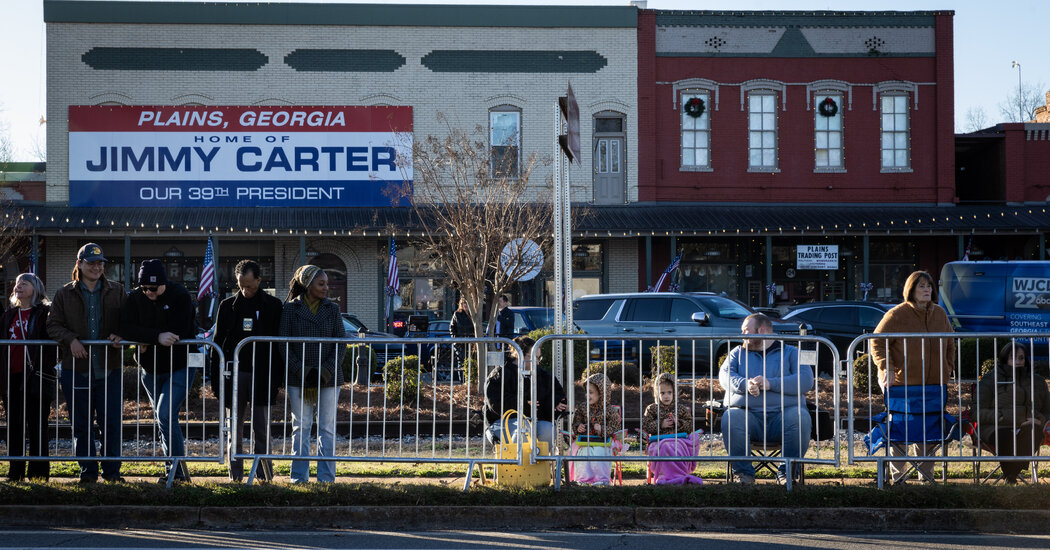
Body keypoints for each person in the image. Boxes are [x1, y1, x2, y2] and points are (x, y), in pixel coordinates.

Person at [47, 243, 126, 484]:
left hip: (109, 368)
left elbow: (129, 320)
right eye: (91, 262)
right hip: (76, 369)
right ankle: (88, 473)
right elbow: (53, 325)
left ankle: (112, 472)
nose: (97, 266)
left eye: (100, 262)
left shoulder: (117, 291)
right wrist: (70, 340)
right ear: (79, 264)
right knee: (81, 424)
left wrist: (121, 334)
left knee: (111, 423)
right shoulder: (63, 294)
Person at [871, 270, 955, 485]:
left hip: (935, 386)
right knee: (900, 432)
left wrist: (947, 368)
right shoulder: (896, 314)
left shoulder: (940, 313)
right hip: (902, 386)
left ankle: (926, 479)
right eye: (922, 286)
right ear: (911, 289)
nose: (927, 289)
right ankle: (898, 479)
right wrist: (886, 368)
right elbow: (877, 342)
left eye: (929, 286)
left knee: (928, 433)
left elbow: (950, 344)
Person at [120, 259, 197, 484]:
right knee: (164, 419)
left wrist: (145, 337)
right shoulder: (135, 298)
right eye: (144, 288)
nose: (148, 292)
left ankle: (177, 473)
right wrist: (154, 338)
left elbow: (180, 330)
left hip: (180, 365)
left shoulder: (180, 295)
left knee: (164, 414)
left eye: (153, 288)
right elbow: (126, 327)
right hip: (151, 368)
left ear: (163, 283)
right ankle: (174, 471)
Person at [210, 260, 284, 482]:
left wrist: (276, 380)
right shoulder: (227, 305)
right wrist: (216, 381)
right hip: (234, 374)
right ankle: (236, 475)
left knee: (262, 428)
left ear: (259, 281)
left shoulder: (273, 305)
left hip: (263, 374)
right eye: (241, 285)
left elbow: (279, 345)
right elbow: (217, 344)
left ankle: (264, 475)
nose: (245, 290)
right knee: (235, 428)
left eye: (250, 285)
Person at [720, 313, 813, 485]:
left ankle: (788, 474)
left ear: (761, 330)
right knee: (731, 417)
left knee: (800, 417)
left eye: (746, 331)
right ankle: (744, 475)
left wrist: (771, 384)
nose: (742, 336)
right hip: (748, 417)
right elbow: (725, 376)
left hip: (783, 417)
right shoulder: (736, 353)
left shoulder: (791, 352)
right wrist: (745, 385)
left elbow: (806, 380)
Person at [278, 265, 345, 483]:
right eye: (321, 283)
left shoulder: (332, 309)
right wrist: (300, 369)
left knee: (326, 428)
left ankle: (326, 479)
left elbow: (341, 343)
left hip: (329, 377)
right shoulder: (290, 309)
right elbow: (283, 344)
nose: (327, 288)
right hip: (299, 378)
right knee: (301, 426)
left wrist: (327, 369)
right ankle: (299, 477)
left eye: (327, 283)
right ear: (308, 285)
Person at [1, 273, 57, 481]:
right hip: (12, 377)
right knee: (14, 426)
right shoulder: (9, 315)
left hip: (35, 377)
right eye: (16, 284)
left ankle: (39, 474)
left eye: (24, 283)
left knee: (37, 426)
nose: (18, 287)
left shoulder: (44, 313)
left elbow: (52, 344)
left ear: (36, 288)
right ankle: (15, 473)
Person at [971, 343, 1050, 484]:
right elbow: (977, 411)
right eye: (1013, 357)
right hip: (996, 426)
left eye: (1021, 358)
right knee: (1005, 436)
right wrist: (1001, 417)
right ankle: (1012, 477)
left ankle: (1011, 475)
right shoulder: (990, 379)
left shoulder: (1038, 381)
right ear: (1004, 359)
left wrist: (1040, 420)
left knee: (1034, 431)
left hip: (1028, 425)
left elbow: (1048, 410)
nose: (1018, 361)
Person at [484, 336, 568, 451]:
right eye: (533, 357)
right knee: (524, 430)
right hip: (503, 421)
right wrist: (523, 404)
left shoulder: (543, 375)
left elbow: (555, 394)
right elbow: (495, 403)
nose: (537, 362)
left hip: (536, 420)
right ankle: (519, 466)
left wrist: (556, 404)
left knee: (548, 430)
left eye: (539, 358)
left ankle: (541, 465)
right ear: (519, 355)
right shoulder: (500, 374)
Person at [641, 372, 703, 485]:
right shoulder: (652, 409)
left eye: (669, 392)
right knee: (665, 447)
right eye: (662, 393)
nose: (666, 396)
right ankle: (666, 475)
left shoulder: (680, 409)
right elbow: (645, 426)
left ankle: (678, 475)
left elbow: (690, 425)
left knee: (676, 448)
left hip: (679, 440)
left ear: (674, 393)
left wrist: (679, 423)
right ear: (656, 394)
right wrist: (660, 424)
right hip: (658, 441)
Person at [569, 372, 622, 485]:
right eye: (586, 392)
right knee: (583, 453)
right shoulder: (583, 407)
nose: (587, 395)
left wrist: (602, 429)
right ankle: (583, 479)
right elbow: (576, 421)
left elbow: (616, 426)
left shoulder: (609, 410)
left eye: (591, 393)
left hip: (603, 441)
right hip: (585, 440)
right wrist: (579, 427)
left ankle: (601, 479)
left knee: (598, 452)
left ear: (602, 394)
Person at [449, 298, 474, 374]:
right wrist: (456, 340)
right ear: (461, 304)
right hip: (460, 342)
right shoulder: (457, 314)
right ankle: (462, 380)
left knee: (471, 361)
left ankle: (469, 380)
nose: (465, 305)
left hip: (471, 342)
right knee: (461, 361)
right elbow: (451, 327)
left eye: (467, 303)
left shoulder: (472, 314)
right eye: (463, 303)